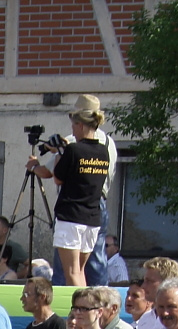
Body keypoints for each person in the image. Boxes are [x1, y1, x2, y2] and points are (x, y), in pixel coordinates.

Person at [26, 96, 111, 289]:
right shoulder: (103, 151)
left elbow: (57, 177)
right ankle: (86, 308)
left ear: (80, 125)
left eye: (73, 126)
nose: (72, 130)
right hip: (92, 217)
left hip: (71, 216)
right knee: (80, 271)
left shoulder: (73, 150)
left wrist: (57, 152)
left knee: (71, 272)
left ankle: (79, 310)